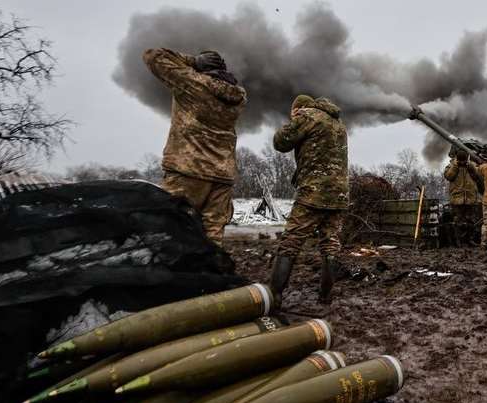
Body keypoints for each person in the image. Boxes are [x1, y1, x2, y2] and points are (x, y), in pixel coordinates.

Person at [143, 48, 247, 246]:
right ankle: (210, 273)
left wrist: (191, 61)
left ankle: (176, 275)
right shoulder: (239, 97)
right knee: (213, 236)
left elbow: (153, 56)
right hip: (222, 175)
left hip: (188, 169)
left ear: (201, 68)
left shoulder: (192, 83)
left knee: (173, 229)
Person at [269, 95, 348, 309]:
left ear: (300, 108)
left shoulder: (308, 116)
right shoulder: (338, 123)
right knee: (330, 246)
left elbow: (280, 142)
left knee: (291, 242)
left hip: (313, 192)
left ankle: (273, 296)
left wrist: (297, 117)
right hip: (339, 195)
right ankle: (325, 297)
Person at [443, 149, 482, 246]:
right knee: (458, 222)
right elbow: (448, 176)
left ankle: (469, 240)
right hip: (457, 198)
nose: (462, 162)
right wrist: (456, 166)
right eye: (461, 160)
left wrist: (470, 167)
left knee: (471, 222)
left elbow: (478, 176)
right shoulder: (451, 165)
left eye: (463, 160)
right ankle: (458, 241)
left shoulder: (472, 165)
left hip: (470, 198)